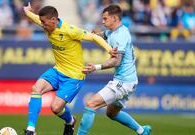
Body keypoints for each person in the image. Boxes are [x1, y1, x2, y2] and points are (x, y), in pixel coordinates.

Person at [23, 2, 117, 135]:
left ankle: (70, 121)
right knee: (36, 89)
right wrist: (27, 12)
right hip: (57, 70)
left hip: (73, 76)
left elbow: (94, 37)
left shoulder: (70, 30)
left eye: (44, 22)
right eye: (41, 22)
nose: (42, 25)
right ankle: (31, 130)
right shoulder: (47, 25)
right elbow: (35, 18)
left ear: (54, 20)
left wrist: (109, 50)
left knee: (55, 108)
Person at [76, 5, 151, 135]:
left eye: (105, 19)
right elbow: (99, 36)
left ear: (115, 18)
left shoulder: (120, 35)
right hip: (129, 81)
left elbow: (117, 61)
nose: (103, 22)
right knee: (111, 113)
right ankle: (142, 131)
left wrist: (96, 67)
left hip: (123, 82)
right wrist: (82, 35)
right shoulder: (113, 32)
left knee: (90, 104)